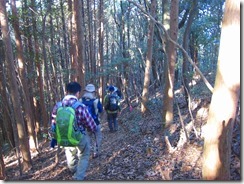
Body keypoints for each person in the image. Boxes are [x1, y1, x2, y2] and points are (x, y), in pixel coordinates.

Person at [50, 82, 97, 180]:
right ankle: (78, 177)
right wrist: (92, 130)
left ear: (66, 92)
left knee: (69, 152)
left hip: (65, 136)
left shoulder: (58, 106)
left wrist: (54, 137)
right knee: (84, 153)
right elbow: (91, 124)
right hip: (79, 137)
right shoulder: (80, 106)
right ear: (78, 93)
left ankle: (74, 169)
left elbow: (53, 122)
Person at [80, 84, 103, 159]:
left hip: (84, 124)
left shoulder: (80, 101)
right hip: (95, 123)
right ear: (93, 92)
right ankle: (95, 152)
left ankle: (86, 153)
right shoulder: (96, 101)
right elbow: (101, 110)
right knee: (98, 137)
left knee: (86, 139)